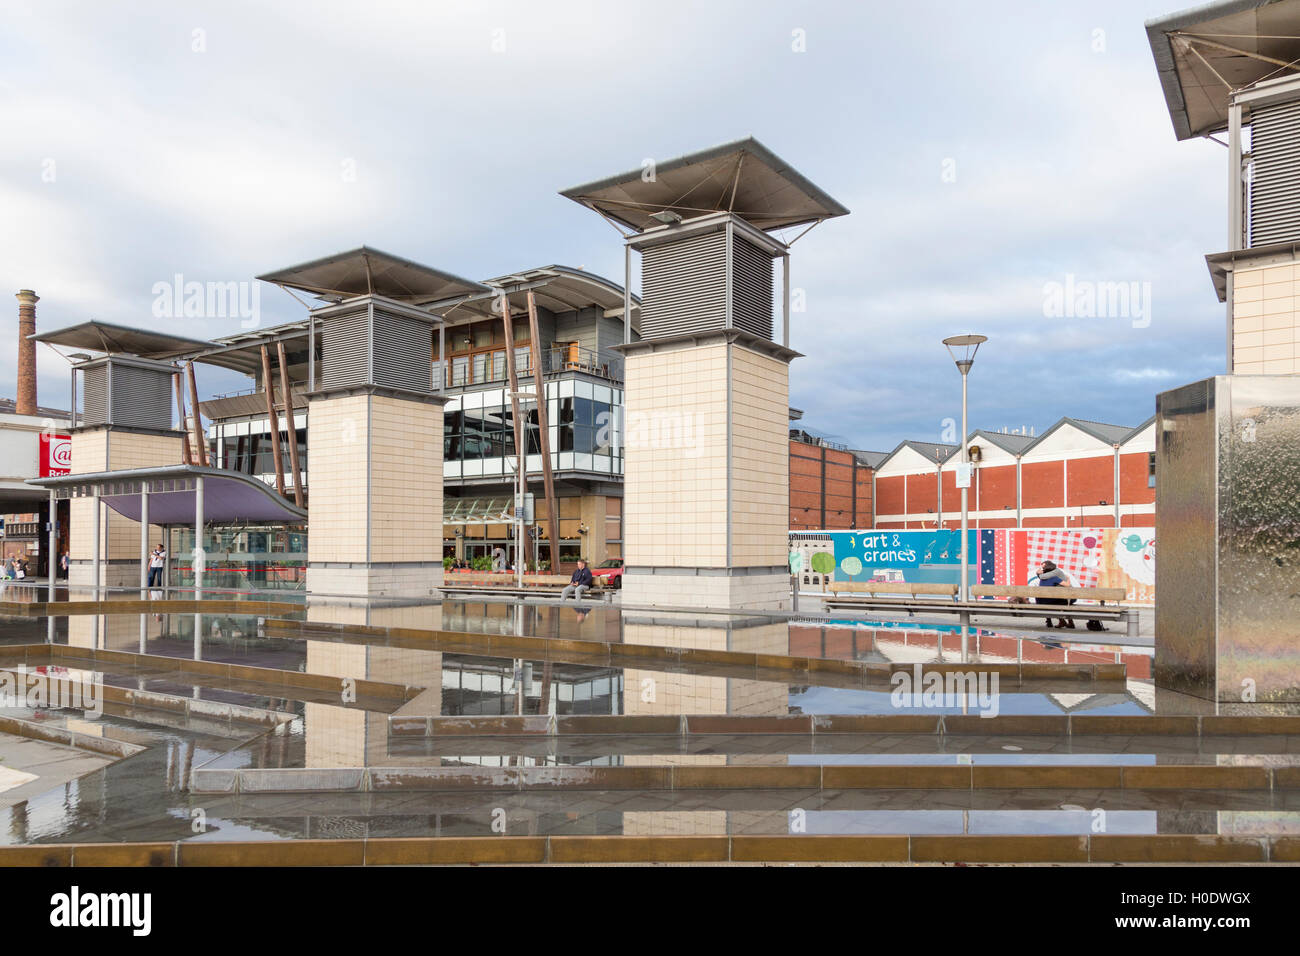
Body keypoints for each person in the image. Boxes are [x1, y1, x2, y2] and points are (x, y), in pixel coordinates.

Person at [1033, 560, 1075, 629]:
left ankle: (1059, 621)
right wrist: (1068, 578)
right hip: (1061, 597)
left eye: (1043, 568)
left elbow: (1042, 576)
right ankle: (1065, 622)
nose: (1042, 569)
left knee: (1055, 603)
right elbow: (1067, 584)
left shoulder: (1055, 573)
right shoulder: (1053, 578)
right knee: (1057, 604)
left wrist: (1038, 573)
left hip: (1065, 596)